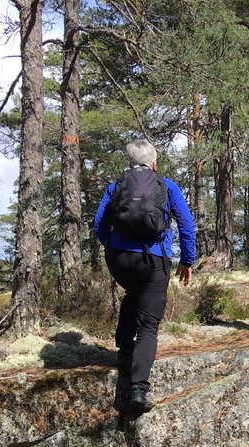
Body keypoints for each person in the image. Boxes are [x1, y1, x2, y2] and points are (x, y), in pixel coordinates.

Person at [93, 139, 196, 413]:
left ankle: (125, 350)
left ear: (129, 163)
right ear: (154, 163)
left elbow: (98, 225)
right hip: (155, 260)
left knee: (132, 292)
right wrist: (187, 260)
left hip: (120, 260)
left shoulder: (116, 186)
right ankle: (138, 389)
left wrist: (112, 247)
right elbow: (186, 224)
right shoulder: (167, 186)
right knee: (148, 327)